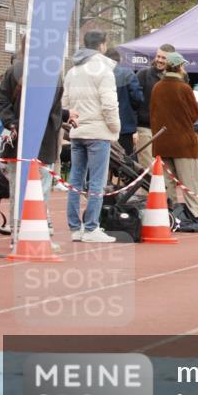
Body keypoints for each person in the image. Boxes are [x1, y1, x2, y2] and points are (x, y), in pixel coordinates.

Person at [0, 35, 74, 247]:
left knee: (21, 189)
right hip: (39, 140)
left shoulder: (17, 71)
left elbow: (3, 101)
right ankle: (32, 235)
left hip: (24, 138)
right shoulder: (48, 73)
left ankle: (22, 235)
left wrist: (12, 123)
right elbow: (51, 107)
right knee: (38, 189)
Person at [63, 30, 120, 243]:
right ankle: (92, 227)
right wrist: (114, 128)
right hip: (98, 132)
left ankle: (75, 227)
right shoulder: (104, 71)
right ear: (102, 46)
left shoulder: (72, 71)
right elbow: (109, 105)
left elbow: (65, 103)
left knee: (75, 180)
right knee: (96, 181)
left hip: (77, 131)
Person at [150, 52, 198, 229]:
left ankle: (167, 217)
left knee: (166, 184)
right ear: (178, 67)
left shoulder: (157, 87)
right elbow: (195, 114)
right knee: (190, 184)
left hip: (162, 142)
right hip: (183, 143)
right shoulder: (184, 88)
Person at [136, 44, 175, 170]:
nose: (159, 60)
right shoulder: (143, 74)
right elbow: (134, 102)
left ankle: (160, 190)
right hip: (145, 127)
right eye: (158, 56)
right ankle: (146, 190)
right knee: (148, 169)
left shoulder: (175, 78)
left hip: (165, 130)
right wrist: (134, 129)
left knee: (164, 170)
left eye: (164, 58)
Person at [107, 48, 143, 158]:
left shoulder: (98, 74)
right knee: (126, 162)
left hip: (104, 125)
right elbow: (137, 98)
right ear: (120, 59)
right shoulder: (128, 74)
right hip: (125, 126)